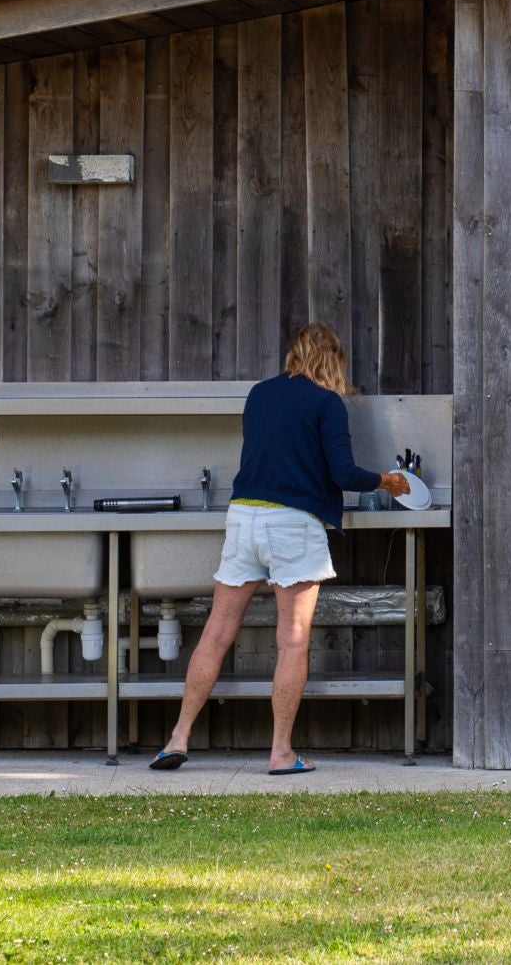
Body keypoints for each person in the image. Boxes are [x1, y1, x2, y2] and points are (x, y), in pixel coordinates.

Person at [151, 322, 407, 776]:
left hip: (243, 517)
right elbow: (344, 475)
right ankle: (281, 753)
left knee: (215, 634)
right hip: (292, 526)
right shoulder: (327, 404)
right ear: (332, 360)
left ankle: (177, 737)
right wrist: (388, 480)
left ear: (294, 355)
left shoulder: (259, 395)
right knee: (292, 642)